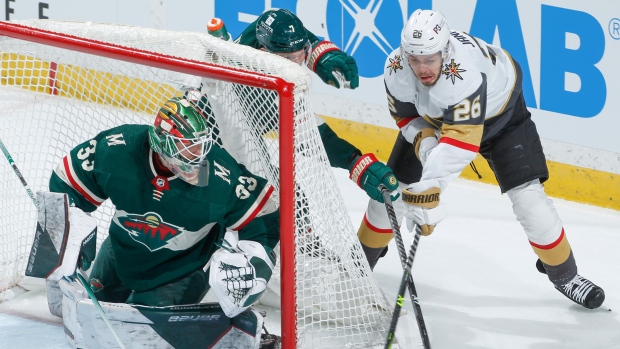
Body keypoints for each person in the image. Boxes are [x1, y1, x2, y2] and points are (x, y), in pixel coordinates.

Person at [357, 9, 605, 310]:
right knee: (392, 191)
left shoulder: (463, 73)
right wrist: (425, 141)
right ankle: (359, 264)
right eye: (415, 58)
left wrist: (429, 191)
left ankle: (565, 275)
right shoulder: (396, 67)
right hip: (437, 119)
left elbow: (463, 143)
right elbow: (406, 115)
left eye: (430, 59)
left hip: (502, 117)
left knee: (529, 200)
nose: (422, 67)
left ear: (445, 50)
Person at [48, 96, 281, 348]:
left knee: (144, 336)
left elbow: (263, 214)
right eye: (186, 147)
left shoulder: (217, 176)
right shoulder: (119, 151)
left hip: (179, 270)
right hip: (120, 254)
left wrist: (255, 256)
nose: (197, 156)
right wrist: (70, 234)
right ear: (161, 143)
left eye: (199, 146)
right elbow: (67, 183)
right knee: (90, 315)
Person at [214, 8, 399, 204]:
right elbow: (312, 138)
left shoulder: (256, 45)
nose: (294, 67)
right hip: (213, 146)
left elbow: (271, 20)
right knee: (269, 207)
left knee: (291, 201)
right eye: (286, 60)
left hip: (241, 138)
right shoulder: (258, 90)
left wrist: (319, 52)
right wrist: (352, 161)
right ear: (264, 54)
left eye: (299, 57)